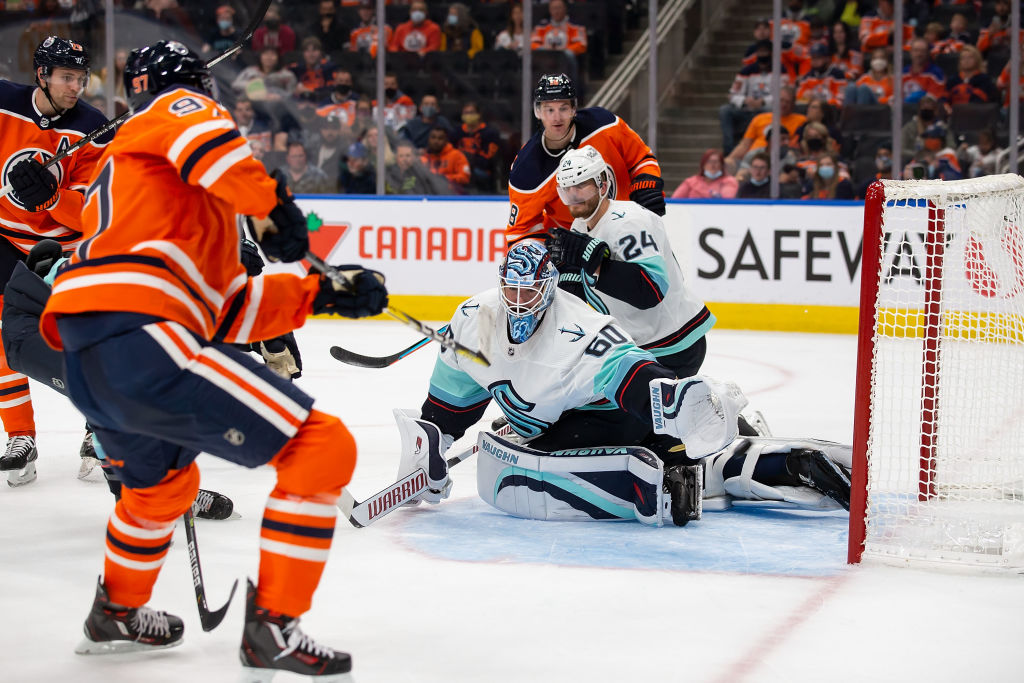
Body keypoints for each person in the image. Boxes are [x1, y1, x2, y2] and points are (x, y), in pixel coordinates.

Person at [39, 40, 388, 676]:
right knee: (322, 447)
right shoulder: (180, 111)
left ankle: (116, 610)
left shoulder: (140, 179)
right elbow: (210, 144)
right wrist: (273, 205)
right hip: (142, 335)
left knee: (160, 489)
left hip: (89, 352)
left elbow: (220, 312)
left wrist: (320, 294)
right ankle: (273, 628)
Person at [393, 241, 850, 527]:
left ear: (548, 287)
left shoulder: (578, 329)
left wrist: (673, 400)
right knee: (535, 454)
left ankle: (735, 453)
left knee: (546, 464)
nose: (517, 303)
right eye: (510, 291)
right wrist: (433, 442)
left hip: (607, 416)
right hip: (561, 421)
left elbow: (630, 372)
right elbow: (453, 395)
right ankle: (731, 449)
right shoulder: (474, 317)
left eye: (527, 292)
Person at [0, 37, 111, 486]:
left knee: (88, 340)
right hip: (6, 240)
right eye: (67, 77)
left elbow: (90, 213)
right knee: (3, 339)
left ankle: (98, 430)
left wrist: (51, 197)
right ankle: (20, 439)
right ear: (41, 75)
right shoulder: (4, 103)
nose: (75, 87)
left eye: (81, 79)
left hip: (64, 249)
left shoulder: (94, 127)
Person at [550, 147, 715, 377]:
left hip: (674, 343)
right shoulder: (580, 224)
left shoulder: (629, 222)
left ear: (602, 186)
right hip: (636, 345)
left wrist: (594, 263)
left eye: (580, 186)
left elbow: (651, 289)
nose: (573, 195)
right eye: (566, 189)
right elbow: (581, 285)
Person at [507, 73, 664, 247]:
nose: (556, 117)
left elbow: (641, 158)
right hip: (578, 245)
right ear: (538, 112)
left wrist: (646, 181)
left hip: (631, 226)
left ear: (573, 109)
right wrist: (548, 249)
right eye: (549, 110)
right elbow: (521, 232)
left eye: (563, 108)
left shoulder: (604, 124)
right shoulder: (527, 169)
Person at [724, 86, 806, 172]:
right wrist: (730, 158)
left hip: (778, 160)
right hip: (752, 158)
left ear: (793, 104)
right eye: (781, 100)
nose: (784, 104)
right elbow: (744, 145)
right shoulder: (759, 118)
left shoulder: (801, 120)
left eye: (787, 102)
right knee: (728, 164)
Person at [450, 101, 502, 193]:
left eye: (471, 113)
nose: (468, 116)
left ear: (479, 114)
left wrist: (469, 160)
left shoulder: (490, 133)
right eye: (466, 113)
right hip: (459, 167)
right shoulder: (456, 132)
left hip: (481, 170)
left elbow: (488, 158)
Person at [421, 126, 471, 193]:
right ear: (428, 139)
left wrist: (444, 178)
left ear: (446, 140)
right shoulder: (423, 157)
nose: (436, 141)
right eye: (433, 137)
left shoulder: (457, 155)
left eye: (440, 138)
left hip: (451, 194)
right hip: (427, 194)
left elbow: (464, 177)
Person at [671, 149, 739, 199]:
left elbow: (727, 200)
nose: (712, 165)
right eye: (709, 161)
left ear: (722, 165)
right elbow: (674, 200)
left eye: (716, 162)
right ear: (703, 165)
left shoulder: (729, 181)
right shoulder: (691, 182)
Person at [290, 37, 335, 102]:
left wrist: (310, 90)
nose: (311, 54)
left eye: (314, 50)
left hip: (322, 102)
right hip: (300, 103)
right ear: (303, 54)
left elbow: (332, 90)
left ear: (321, 52)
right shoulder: (296, 68)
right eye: (307, 51)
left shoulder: (329, 68)